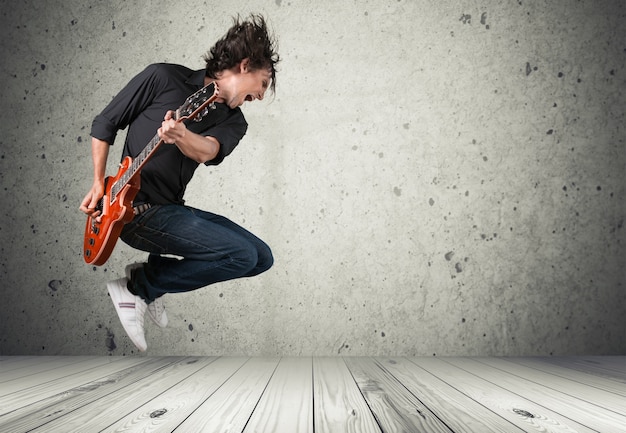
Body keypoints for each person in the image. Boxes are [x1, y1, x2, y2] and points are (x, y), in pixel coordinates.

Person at [79, 14, 279, 352]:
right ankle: (139, 288)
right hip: (133, 212)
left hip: (171, 211)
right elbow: (105, 123)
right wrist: (99, 183)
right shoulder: (162, 77)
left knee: (261, 257)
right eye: (263, 83)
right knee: (242, 255)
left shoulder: (234, 121)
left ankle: (152, 277)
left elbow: (209, 151)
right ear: (245, 66)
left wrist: (182, 134)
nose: (261, 95)